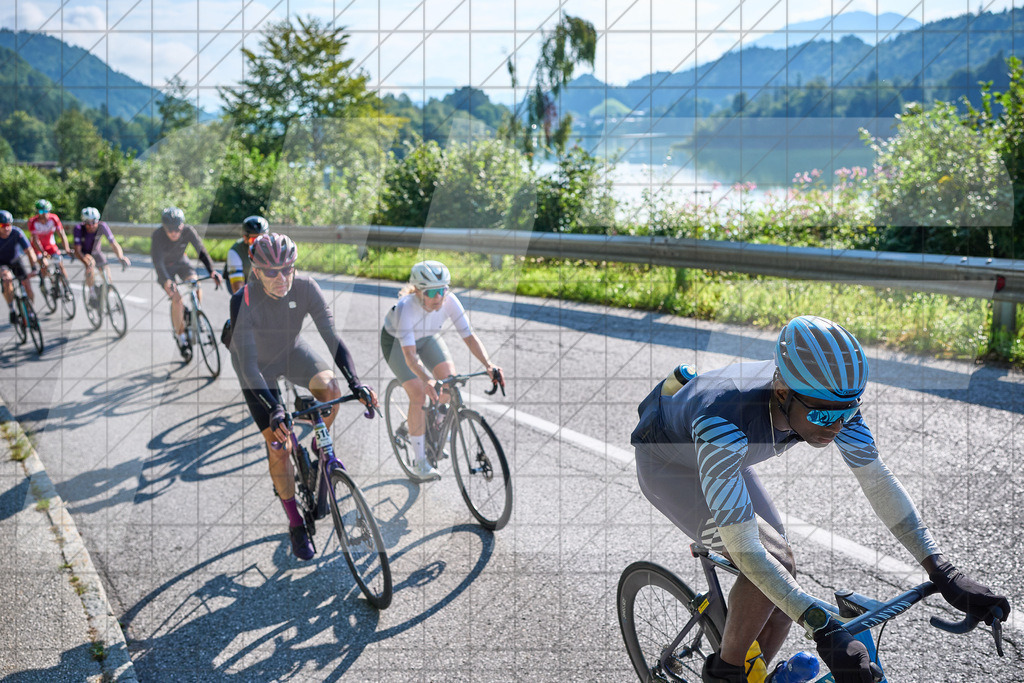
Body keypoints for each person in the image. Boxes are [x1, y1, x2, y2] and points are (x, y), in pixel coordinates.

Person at [631, 315, 1011, 683]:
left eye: (849, 411)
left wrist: (943, 570)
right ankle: (725, 672)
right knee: (770, 561)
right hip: (670, 465)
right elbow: (747, 549)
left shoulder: (827, 401)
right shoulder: (724, 420)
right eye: (825, 415)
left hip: (730, 457)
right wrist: (822, 628)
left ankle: (754, 671)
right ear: (782, 393)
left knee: (782, 577)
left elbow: (877, 481)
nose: (837, 426)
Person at [228, 232, 378, 561]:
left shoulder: (307, 287)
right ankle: (296, 522)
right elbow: (251, 366)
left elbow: (332, 339)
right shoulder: (243, 300)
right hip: (255, 370)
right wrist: (277, 410)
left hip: (292, 352)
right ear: (256, 271)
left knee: (331, 390)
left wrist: (357, 384)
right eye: (271, 272)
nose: (282, 277)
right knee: (279, 445)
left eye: (288, 269)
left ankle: (314, 445)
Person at [380, 260, 505, 480]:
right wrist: (427, 379)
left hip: (427, 338)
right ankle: (420, 463)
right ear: (418, 291)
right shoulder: (405, 308)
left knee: (450, 382)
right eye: (432, 292)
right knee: (419, 393)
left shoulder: (449, 302)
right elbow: (410, 357)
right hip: (397, 345)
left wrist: (488, 364)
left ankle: (433, 424)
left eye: (443, 290)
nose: (439, 297)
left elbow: (469, 337)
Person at [151, 207, 222, 358]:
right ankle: (181, 338)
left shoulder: (189, 231)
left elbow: (201, 251)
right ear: (164, 228)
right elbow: (157, 262)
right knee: (177, 299)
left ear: (182, 225)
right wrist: (167, 281)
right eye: (169, 230)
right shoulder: (157, 235)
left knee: (195, 283)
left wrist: (212, 271)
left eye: (177, 229)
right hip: (165, 269)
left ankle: (197, 313)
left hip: (182, 263)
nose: (174, 233)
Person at [73, 207, 131, 308]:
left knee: (108, 279)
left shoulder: (102, 226)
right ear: (84, 222)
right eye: (88, 223)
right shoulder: (78, 229)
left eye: (93, 222)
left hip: (96, 252)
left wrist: (121, 257)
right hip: (85, 253)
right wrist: (87, 264)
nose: (91, 226)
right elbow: (77, 251)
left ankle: (102, 293)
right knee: (90, 264)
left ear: (98, 221)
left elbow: (114, 244)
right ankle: (92, 294)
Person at [0, 210, 40, 324]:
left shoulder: (17, 233)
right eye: (2, 225)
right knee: (7, 280)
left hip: (15, 260)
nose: (6, 228)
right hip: (1, 263)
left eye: (8, 225)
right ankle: (12, 309)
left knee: (27, 284)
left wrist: (34, 268)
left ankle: (31, 311)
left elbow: (29, 251)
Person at [27, 199, 71, 283]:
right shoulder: (32, 222)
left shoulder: (54, 218)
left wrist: (67, 249)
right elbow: (35, 240)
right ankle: (45, 282)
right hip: (37, 248)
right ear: (37, 212)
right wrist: (42, 252)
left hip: (50, 245)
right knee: (45, 265)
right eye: (41, 211)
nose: (44, 213)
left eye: (46, 211)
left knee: (60, 264)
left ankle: (66, 286)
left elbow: (62, 234)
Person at [224, 215, 268, 294]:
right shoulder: (235, 252)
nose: (258, 243)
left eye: (262, 238)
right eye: (254, 239)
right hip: (239, 281)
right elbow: (238, 290)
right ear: (245, 238)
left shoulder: (272, 247)